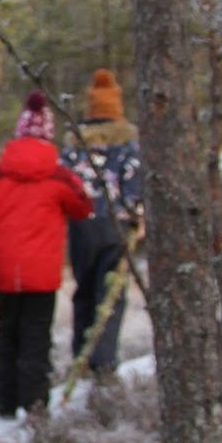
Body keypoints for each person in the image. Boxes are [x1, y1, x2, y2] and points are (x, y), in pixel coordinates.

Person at [0, 91, 94, 420]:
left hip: (5, 272)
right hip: (42, 274)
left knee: (7, 334)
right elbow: (84, 208)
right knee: (36, 337)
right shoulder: (59, 177)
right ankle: (34, 404)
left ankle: (5, 403)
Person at [64, 68, 146, 375]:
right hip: (117, 225)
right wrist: (138, 215)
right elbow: (134, 183)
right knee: (111, 294)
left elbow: (64, 182)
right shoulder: (128, 143)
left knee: (84, 290)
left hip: (81, 225)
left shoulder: (75, 144)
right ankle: (104, 361)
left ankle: (80, 357)